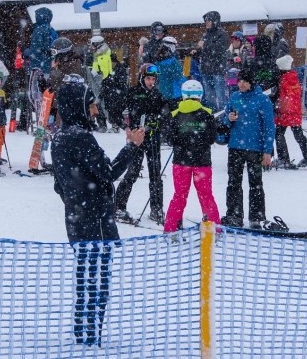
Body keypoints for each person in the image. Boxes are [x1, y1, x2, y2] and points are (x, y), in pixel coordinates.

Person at [51, 71, 145, 346]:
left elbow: (59, 185)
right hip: (95, 224)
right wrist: (131, 146)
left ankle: (85, 332)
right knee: (97, 285)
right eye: (90, 104)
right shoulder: (80, 138)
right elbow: (110, 171)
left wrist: (75, 200)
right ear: (79, 106)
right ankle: (90, 337)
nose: (95, 109)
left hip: (77, 221)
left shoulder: (60, 137)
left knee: (85, 282)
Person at [219, 66, 280, 230]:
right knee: (233, 182)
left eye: (245, 81)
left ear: (252, 82)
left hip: (255, 148)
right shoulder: (234, 97)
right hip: (235, 146)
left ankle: (257, 217)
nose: (241, 84)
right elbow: (226, 119)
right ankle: (234, 215)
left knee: (256, 184)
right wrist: (229, 119)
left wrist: (267, 150)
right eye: (239, 81)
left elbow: (269, 126)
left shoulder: (262, 100)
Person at [162, 79, 221, 232]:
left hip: (181, 162)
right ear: (200, 96)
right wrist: (196, 140)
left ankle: (170, 229)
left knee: (179, 196)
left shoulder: (175, 114)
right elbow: (211, 138)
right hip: (201, 162)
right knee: (206, 196)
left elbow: (169, 137)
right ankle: (214, 229)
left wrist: (183, 140)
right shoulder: (207, 114)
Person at [114, 63, 167, 224]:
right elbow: (117, 111)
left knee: (155, 174)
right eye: (148, 79)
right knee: (132, 172)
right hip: (137, 138)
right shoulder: (132, 93)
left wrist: (158, 121)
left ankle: (156, 208)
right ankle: (118, 207)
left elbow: (165, 114)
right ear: (142, 78)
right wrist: (127, 127)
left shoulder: (158, 95)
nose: (151, 82)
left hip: (152, 138)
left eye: (153, 79)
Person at [273, 54, 307, 169]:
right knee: (299, 135)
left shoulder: (282, 80)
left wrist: (279, 108)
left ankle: (284, 158)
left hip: (285, 111)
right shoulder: (294, 77)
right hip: (295, 111)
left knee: (279, 134)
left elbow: (282, 96)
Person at [196, 11, 229, 112]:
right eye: (205, 20)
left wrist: (205, 45)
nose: (206, 22)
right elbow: (204, 50)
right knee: (209, 98)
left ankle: (222, 118)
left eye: (209, 20)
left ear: (215, 21)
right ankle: (212, 118)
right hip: (206, 70)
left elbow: (220, 48)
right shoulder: (206, 34)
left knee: (220, 97)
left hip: (218, 70)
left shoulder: (222, 34)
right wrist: (195, 51)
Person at [87, 34, 112, 131]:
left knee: (100, 103)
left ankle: (105, 124)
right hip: (99, 81)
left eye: (93, 44)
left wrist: (96, 74)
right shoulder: (99, 53)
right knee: (98, 103)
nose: (91, 47)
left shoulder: (103, 54)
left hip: (101, 82)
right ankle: (102, 123)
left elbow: (103, 70)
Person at [100, 51, 130, 131]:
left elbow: (121, 82)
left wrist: (111, 82)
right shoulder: (108, 69)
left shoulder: (121, 69)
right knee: (111, 110)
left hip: (118, 94)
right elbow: (105, 80)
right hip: (110, 94)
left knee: (116, 111)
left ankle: (116, 126)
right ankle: (115, 125)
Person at [155, 36, 186, 112]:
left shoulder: (158, 62)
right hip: (175, 93)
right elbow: (179, 77)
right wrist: (186, 83)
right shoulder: (173, 62)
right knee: (175, 115)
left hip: (162, 92)